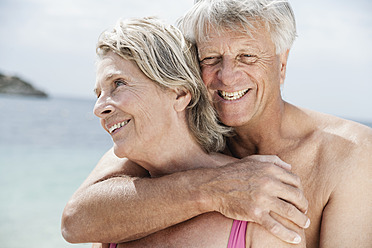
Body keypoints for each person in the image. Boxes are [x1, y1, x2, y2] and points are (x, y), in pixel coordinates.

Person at [62, 0, 372, 247]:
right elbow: (77, 219)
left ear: (282, 64)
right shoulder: (167, 140)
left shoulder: (351, 154)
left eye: (247, 57)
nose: (227, 76)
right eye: (210, 59)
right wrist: (213, 189)